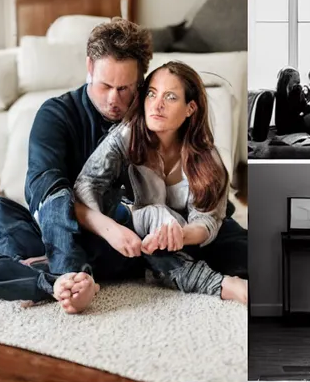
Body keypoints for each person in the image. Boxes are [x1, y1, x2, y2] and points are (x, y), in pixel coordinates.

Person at [0, 19, 153, 312]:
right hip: (57, 231)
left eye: (125, 89)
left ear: (140, 82)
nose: (113, 100)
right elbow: (45, 189)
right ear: (90, 67)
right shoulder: (56, 113)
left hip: (117, 242)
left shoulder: (150, 118)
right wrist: (71, 264)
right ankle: (72, 278)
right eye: (105, 85)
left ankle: (48, 280)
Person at [73, 61, 249, 303]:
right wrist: (110, 230)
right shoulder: (125, 137)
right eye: (152, 94)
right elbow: (84, 188)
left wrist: (181, 235)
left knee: (244, 252)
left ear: (190, 108)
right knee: (143, 243)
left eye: (170, 97)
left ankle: (166, 265)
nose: (157, 105)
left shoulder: (209, 159)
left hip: (189, 232)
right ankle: (218, 284)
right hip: (138, 229)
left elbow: (207, 220)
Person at [272, 67, 310, 135]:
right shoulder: (287, 94)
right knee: (309, 116)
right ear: (290, 78)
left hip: (287, 124)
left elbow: (299, 109)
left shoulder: (283, 93)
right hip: (288, 126)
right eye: (296, 82)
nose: (298, 84)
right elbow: (295, 110)